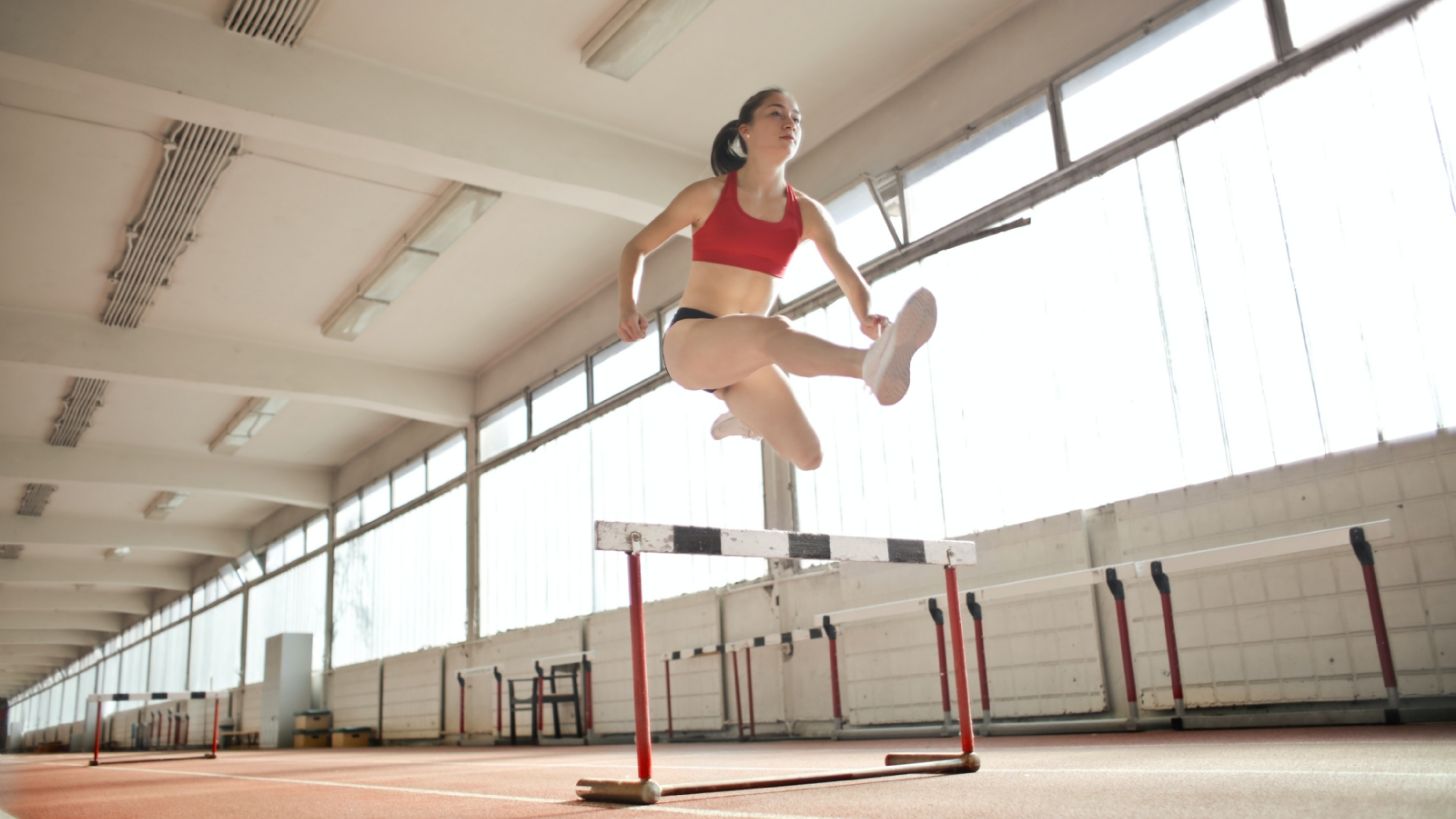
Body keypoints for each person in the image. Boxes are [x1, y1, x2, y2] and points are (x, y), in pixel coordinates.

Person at [615, 88, 937, 471]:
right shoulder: (708, 195)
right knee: (773, 331)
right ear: (745, 131)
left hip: (746, 356)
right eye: (776, 114)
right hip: (692, 340)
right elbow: (636, 247)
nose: (790, 123)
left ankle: (745, 418)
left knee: (809, 456)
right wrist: (627, 307)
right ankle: (868, 363)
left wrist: (866, 315)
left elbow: (849, 278)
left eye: (796, 118)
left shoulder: (808, 214)